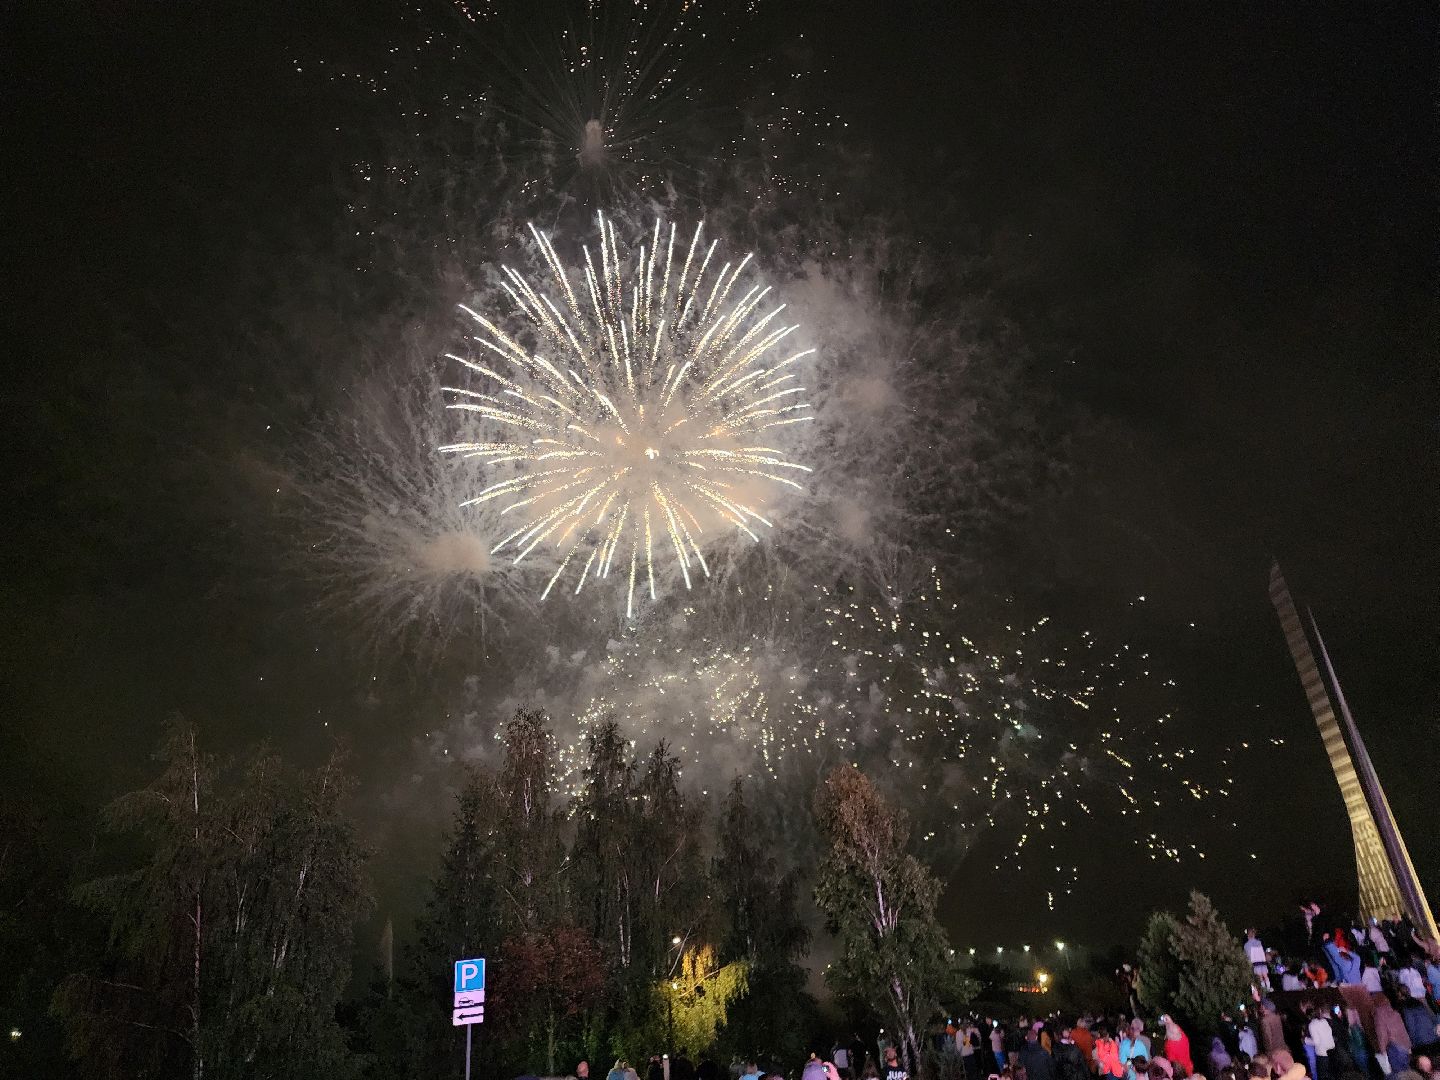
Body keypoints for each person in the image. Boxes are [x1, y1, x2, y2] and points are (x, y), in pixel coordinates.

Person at [1307, 1006, 1336, 1080]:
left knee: (1323, 1076)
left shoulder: (1312, 1025)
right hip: (1332, 1050)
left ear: (1309, 1016)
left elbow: (1316, 1042)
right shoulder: (1324, 1021)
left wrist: (1306, 1040)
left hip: (1322, 1054)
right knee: (1332, 1074)